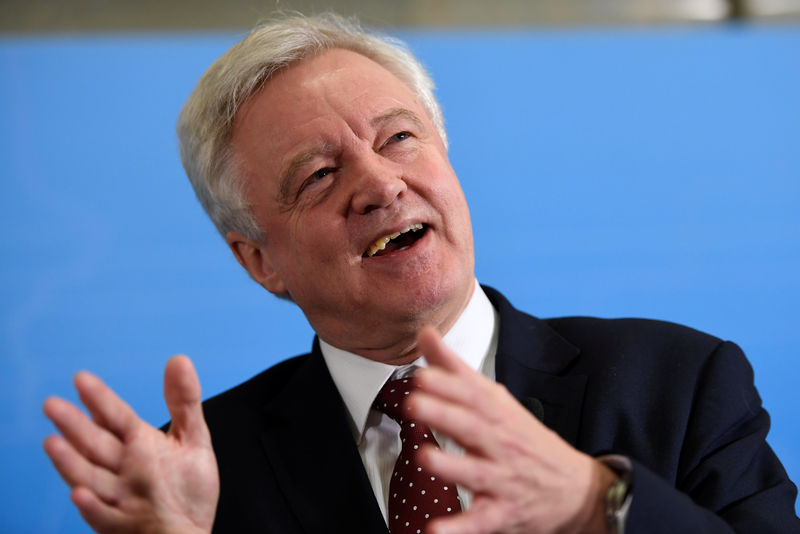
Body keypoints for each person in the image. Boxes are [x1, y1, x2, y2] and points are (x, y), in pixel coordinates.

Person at [43, 13, 800, 534]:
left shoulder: (678, 382)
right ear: (260, 260)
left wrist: (595, 504)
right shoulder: (201, 470)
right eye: (318, 175)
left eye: (398, 137)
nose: (379, 184)